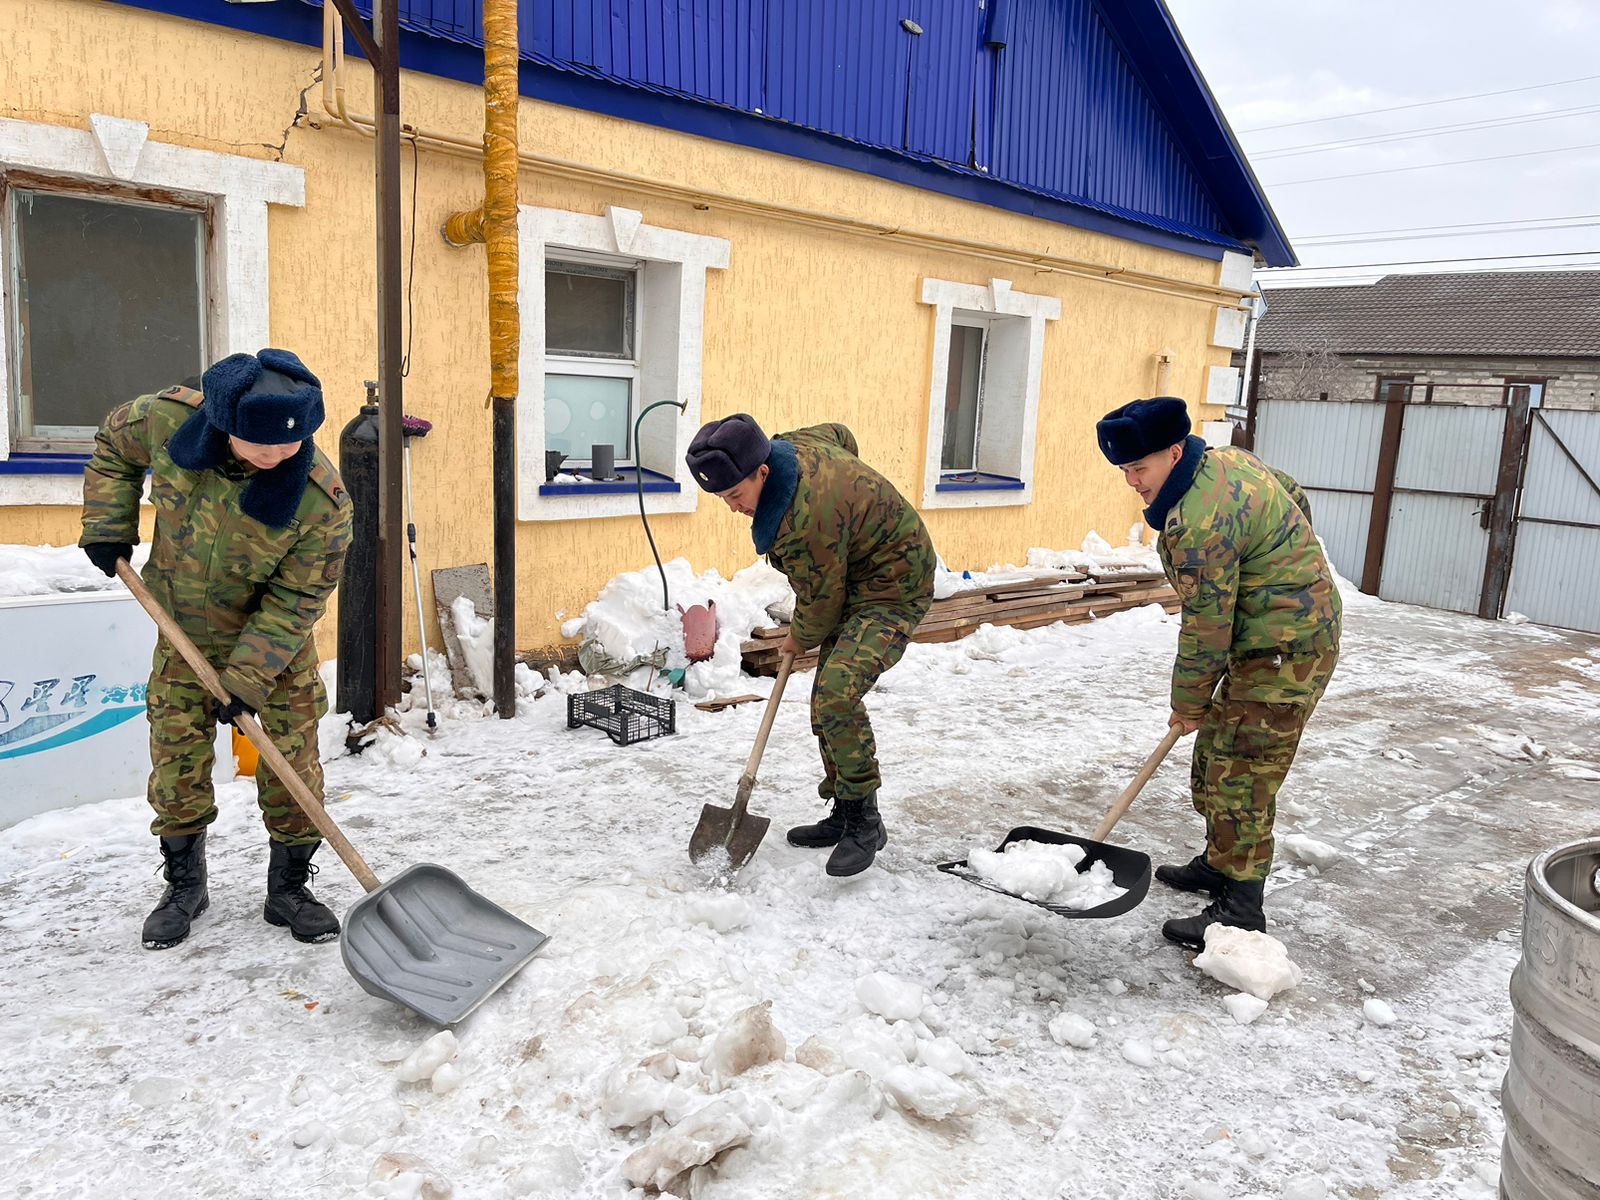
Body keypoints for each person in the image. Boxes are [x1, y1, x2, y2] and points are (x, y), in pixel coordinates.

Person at [79, 349, 353, 950]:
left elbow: (297, 601)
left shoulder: (320, 503)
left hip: (274, 654)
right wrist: (108, 523)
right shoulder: (168, 423)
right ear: (225, 421)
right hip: (181, 633)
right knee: (176, 762)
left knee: (292, 770)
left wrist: (247, 680)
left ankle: (289, 889)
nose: (277, 454)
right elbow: (112, 446)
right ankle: (183, 886)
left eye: (291, 442)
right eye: (260, 443)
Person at [1095, 396, 1341, 948]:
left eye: (1140, 467)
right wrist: (1282, 560)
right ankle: (1219, 861)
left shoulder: (1196, 527)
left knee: (1241, 771)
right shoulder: (1229, 461)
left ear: (1174, 452)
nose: (1132, 481)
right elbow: (1291, 494)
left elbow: (1207, 628)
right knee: (1215, 756)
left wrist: (1188, 703)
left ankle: (1240, 906)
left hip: (1286, 650)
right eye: (1125, 470)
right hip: (1272, 636)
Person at [686, 414, 935, 876]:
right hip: (853, 575)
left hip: (894, 586)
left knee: (837, 693)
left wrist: (797, 638)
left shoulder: (804, 523)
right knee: (824, 701)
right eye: (721, 498)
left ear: (763, 472)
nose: (732, 507)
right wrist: (856, 505)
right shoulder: (790, 448)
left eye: (736, 495)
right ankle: (844, 810)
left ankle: (865, 821)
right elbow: (841, 433)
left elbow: (821, 601)